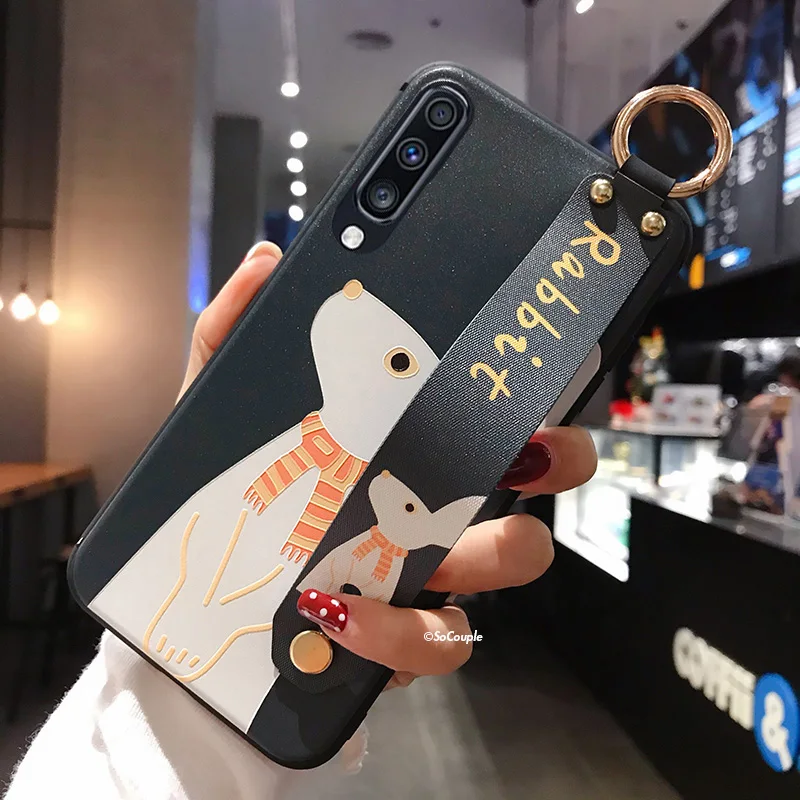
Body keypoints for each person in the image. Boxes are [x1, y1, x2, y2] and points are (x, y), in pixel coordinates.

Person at [5, 242, 598, 800]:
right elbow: (227, 518)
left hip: (234, 653)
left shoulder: (370, 484)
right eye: (400, 365)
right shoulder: (304, 445)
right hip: (184, 608)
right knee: (227, 544)